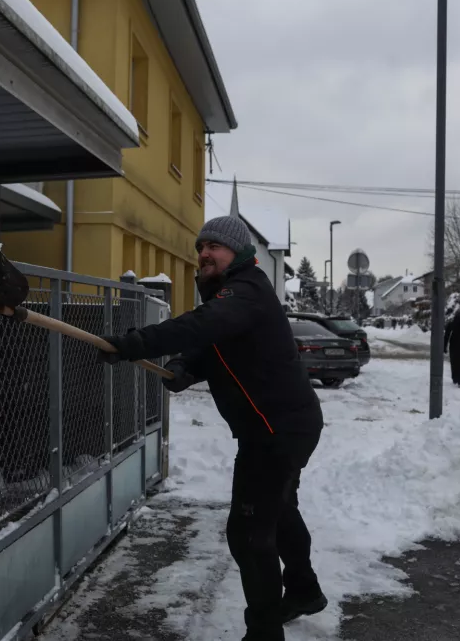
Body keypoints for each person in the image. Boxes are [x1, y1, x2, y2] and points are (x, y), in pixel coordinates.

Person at [98, 216, 326, 641]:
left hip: (275, 431)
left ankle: (264, 632)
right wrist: (187, 366)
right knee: (278, 510)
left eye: (215, 246)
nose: (204, 252)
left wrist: (135, 343)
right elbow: (216, 344)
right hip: (282, 425)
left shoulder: (246, 290)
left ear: (238, 252)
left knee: (248, 532)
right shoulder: (234, 294)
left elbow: (203, 325)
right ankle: (303, 590)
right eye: (201, 245)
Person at [444, 307, 460, 387]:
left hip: (453, 347)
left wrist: (444, 347)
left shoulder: (451, 323)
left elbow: (446, 336)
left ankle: (454, 378)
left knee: (453, 364)